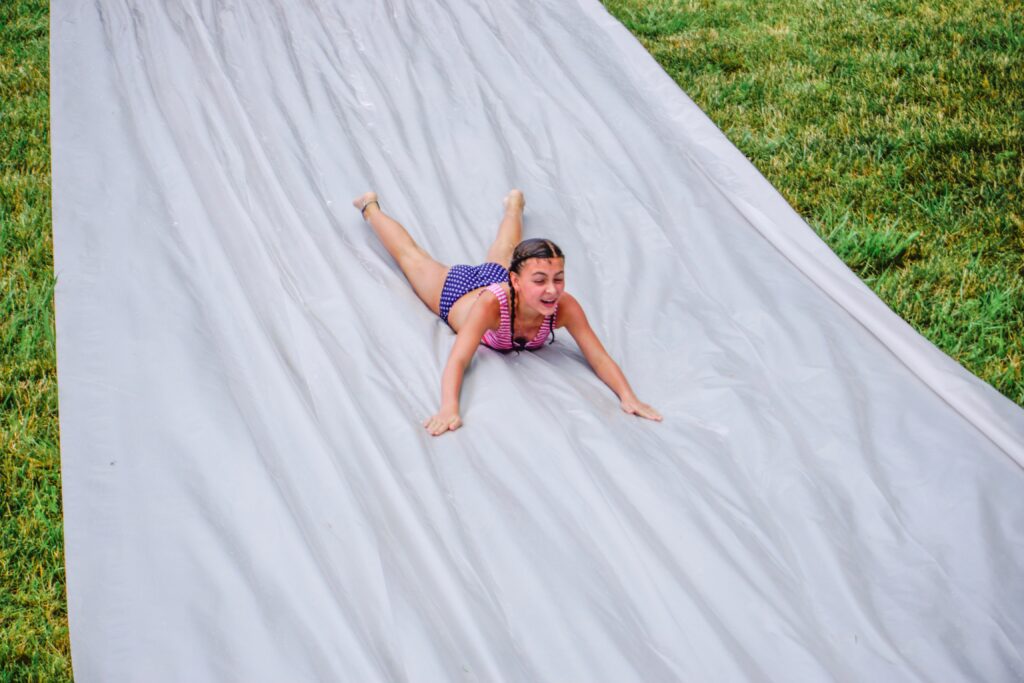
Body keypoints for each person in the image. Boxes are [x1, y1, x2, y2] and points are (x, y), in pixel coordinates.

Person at [352, 189, 663, 436]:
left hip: (499, 277)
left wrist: (627, 396)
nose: (552, 290)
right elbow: (459, 357)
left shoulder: (563, 306)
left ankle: (514, 203)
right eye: (540, 281)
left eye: (558, 279)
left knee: (508, 245)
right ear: (517, 281)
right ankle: (370, 206)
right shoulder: (493, 306)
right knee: (412, 258)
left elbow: (599, 357)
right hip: (458, 292)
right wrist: (449, 407)